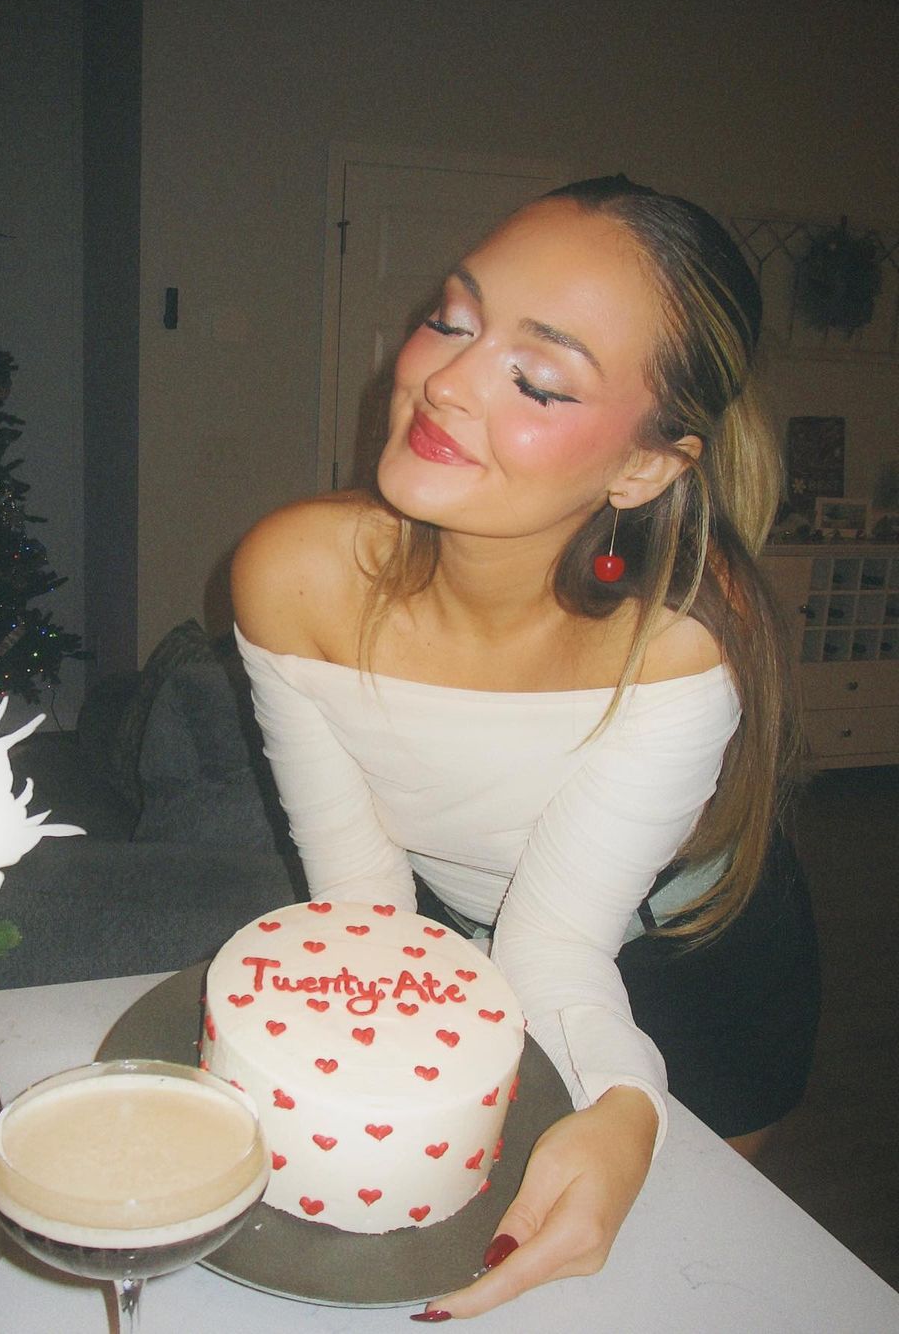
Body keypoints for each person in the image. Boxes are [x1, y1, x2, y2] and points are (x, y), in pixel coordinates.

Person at [230, 175, 819, 1321]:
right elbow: (362, 903)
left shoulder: (682, 638)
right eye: (452, 320)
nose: (447, 382)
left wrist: (626, 1111)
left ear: (646, 466)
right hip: (467, 929)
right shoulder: (289, 577)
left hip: (697, 952)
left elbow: (554, 939)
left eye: (539, 380)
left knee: (670, 1284)